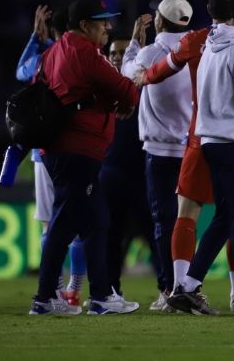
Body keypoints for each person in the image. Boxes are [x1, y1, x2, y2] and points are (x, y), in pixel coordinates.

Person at [136, 0, 234, 310]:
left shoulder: (201, 43)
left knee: (209, 216)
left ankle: (184, 285)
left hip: (202, 139)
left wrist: (137, 75)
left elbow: (158, 72)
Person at [30, 0, 140, 315]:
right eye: (101, 21)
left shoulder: (53, 52)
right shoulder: (86, 53)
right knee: (65, 224)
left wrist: (103, 102)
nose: (108, 26)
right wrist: (116, 101)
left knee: (96, 222)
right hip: (78, 149)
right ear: (84, 25)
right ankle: (46, 298)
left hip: (63, 149)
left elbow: (61, 92)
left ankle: (102, 297)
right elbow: (128, 90)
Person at [122, 0, 194, 308]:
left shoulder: (151, 53)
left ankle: (169, 290)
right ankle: (189, 284)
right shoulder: (199, 52)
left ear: (160, 22)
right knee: (188, 221)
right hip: (194, 149)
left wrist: (134, 44)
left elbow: (126, 75)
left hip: (160, 152)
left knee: (163, 222)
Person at [16, 5, 90, 306]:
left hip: (43, 151)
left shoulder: (43, 60)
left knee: (50, 223)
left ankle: (57, 289)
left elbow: (21, 72)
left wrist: (36, 38)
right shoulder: (80, 57)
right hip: (78, 148)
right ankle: (74, 289)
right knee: (79, 223)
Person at [101, 37, 160, 301]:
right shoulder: (100, 86)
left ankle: (167, 290)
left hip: (143, 171)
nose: (118, 56)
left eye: (124, 52)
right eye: (114, 52)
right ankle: (110, 291)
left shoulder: (144, 85)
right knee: (111, 236)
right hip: (110, 171)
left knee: (154, 232)